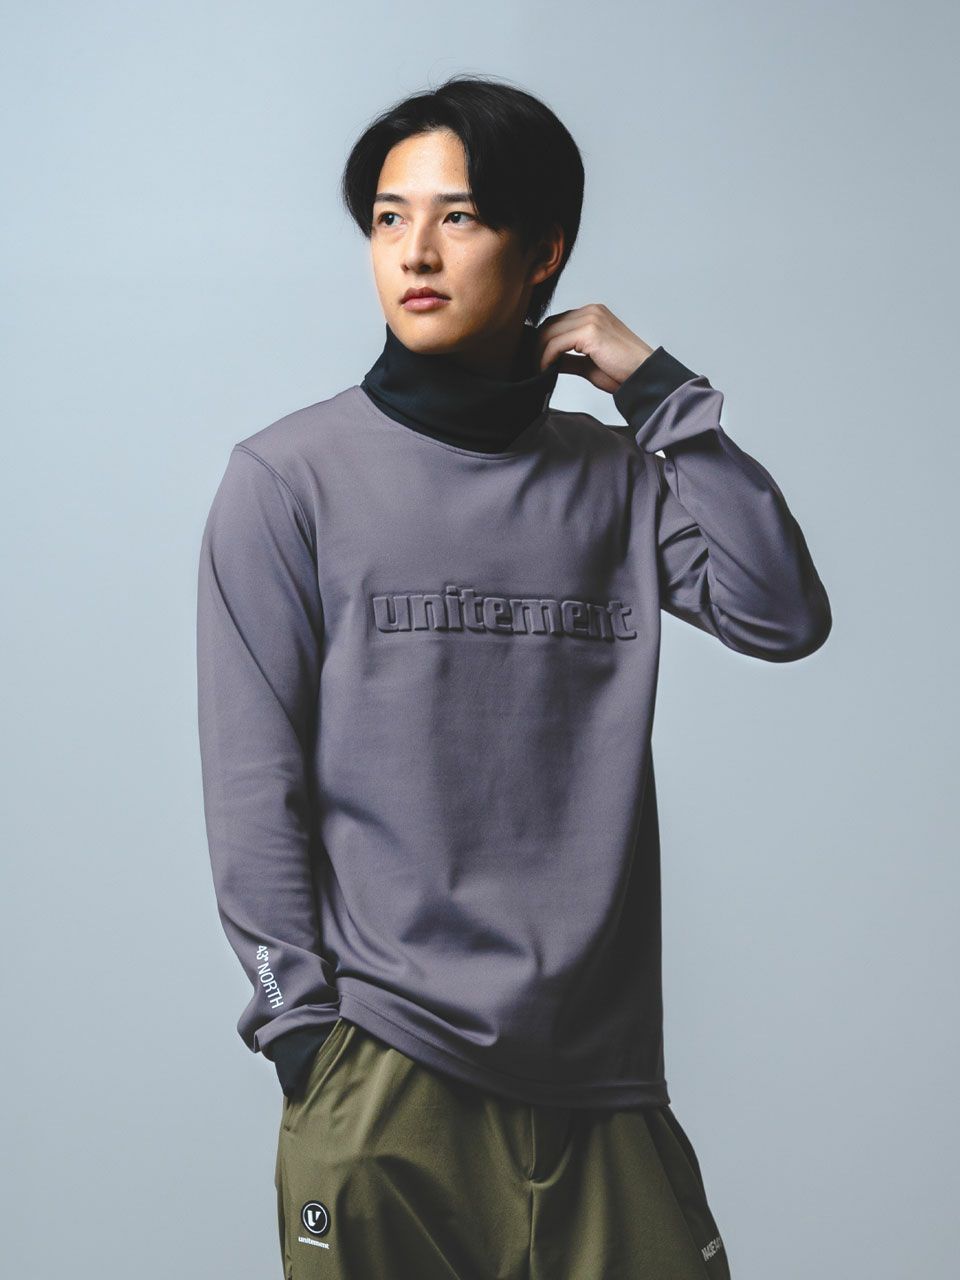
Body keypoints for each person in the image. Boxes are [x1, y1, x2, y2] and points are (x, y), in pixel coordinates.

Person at [196, 74, 831, 1279]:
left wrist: (660, 393)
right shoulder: (287, 481)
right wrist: (300, 1034)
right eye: (389, 218)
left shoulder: (617, 477)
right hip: (382, 1072)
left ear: (543, 252)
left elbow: (781, 611)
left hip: (602, 1082)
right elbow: (250, 786)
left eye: (460, 217)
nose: (415, 252)